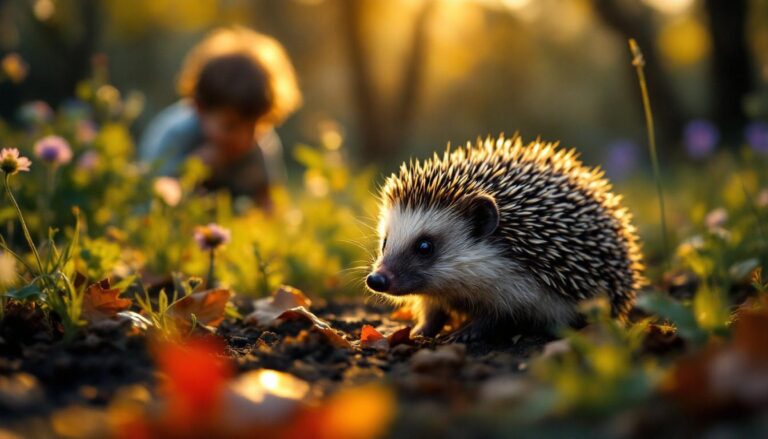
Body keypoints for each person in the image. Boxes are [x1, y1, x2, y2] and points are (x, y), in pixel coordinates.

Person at [139, 27, 302, 205]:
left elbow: (270, 201)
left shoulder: (262, 144)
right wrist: (191, 170)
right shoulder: (176, 134)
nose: (244, 139)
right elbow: (153, 196)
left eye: (254, 126)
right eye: (230, 126)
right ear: (199, 109)